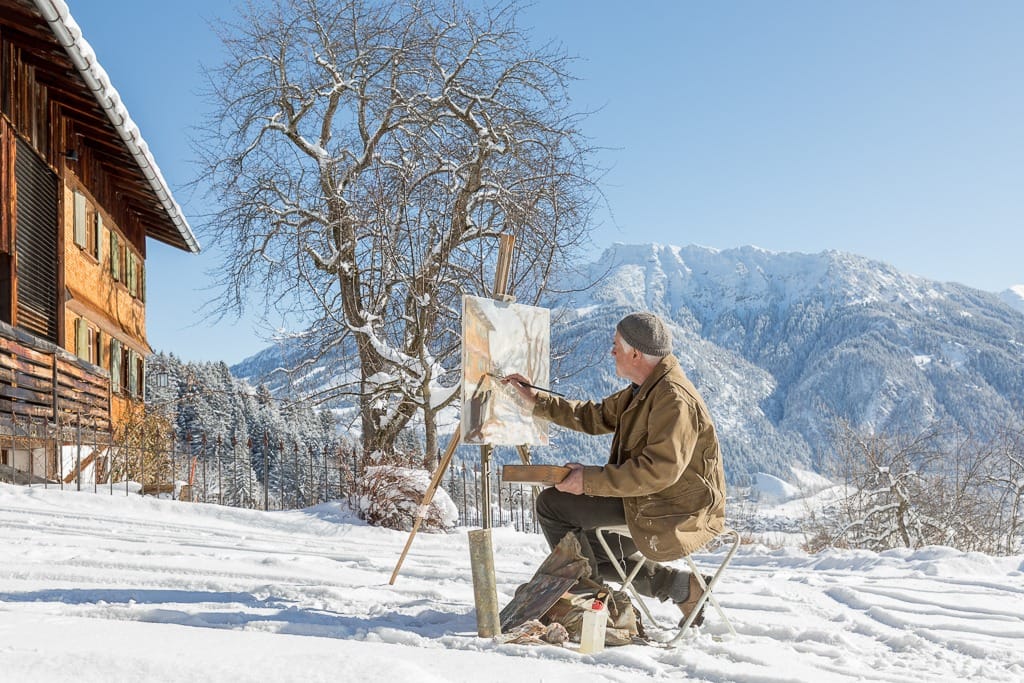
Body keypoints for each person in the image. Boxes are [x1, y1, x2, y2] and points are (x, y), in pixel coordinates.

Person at [503, 311, 726, 626]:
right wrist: (537, 401)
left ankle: (594, 610)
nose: (611, 352)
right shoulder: (645, 389)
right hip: (651, 497)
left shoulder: (672, 399)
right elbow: (595, 416)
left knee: (552, 505)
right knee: (584, 549)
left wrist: (587, 480)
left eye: (615, 346)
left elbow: (658, 471)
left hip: (673, 508)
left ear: (635, 354)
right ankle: (680, 587)